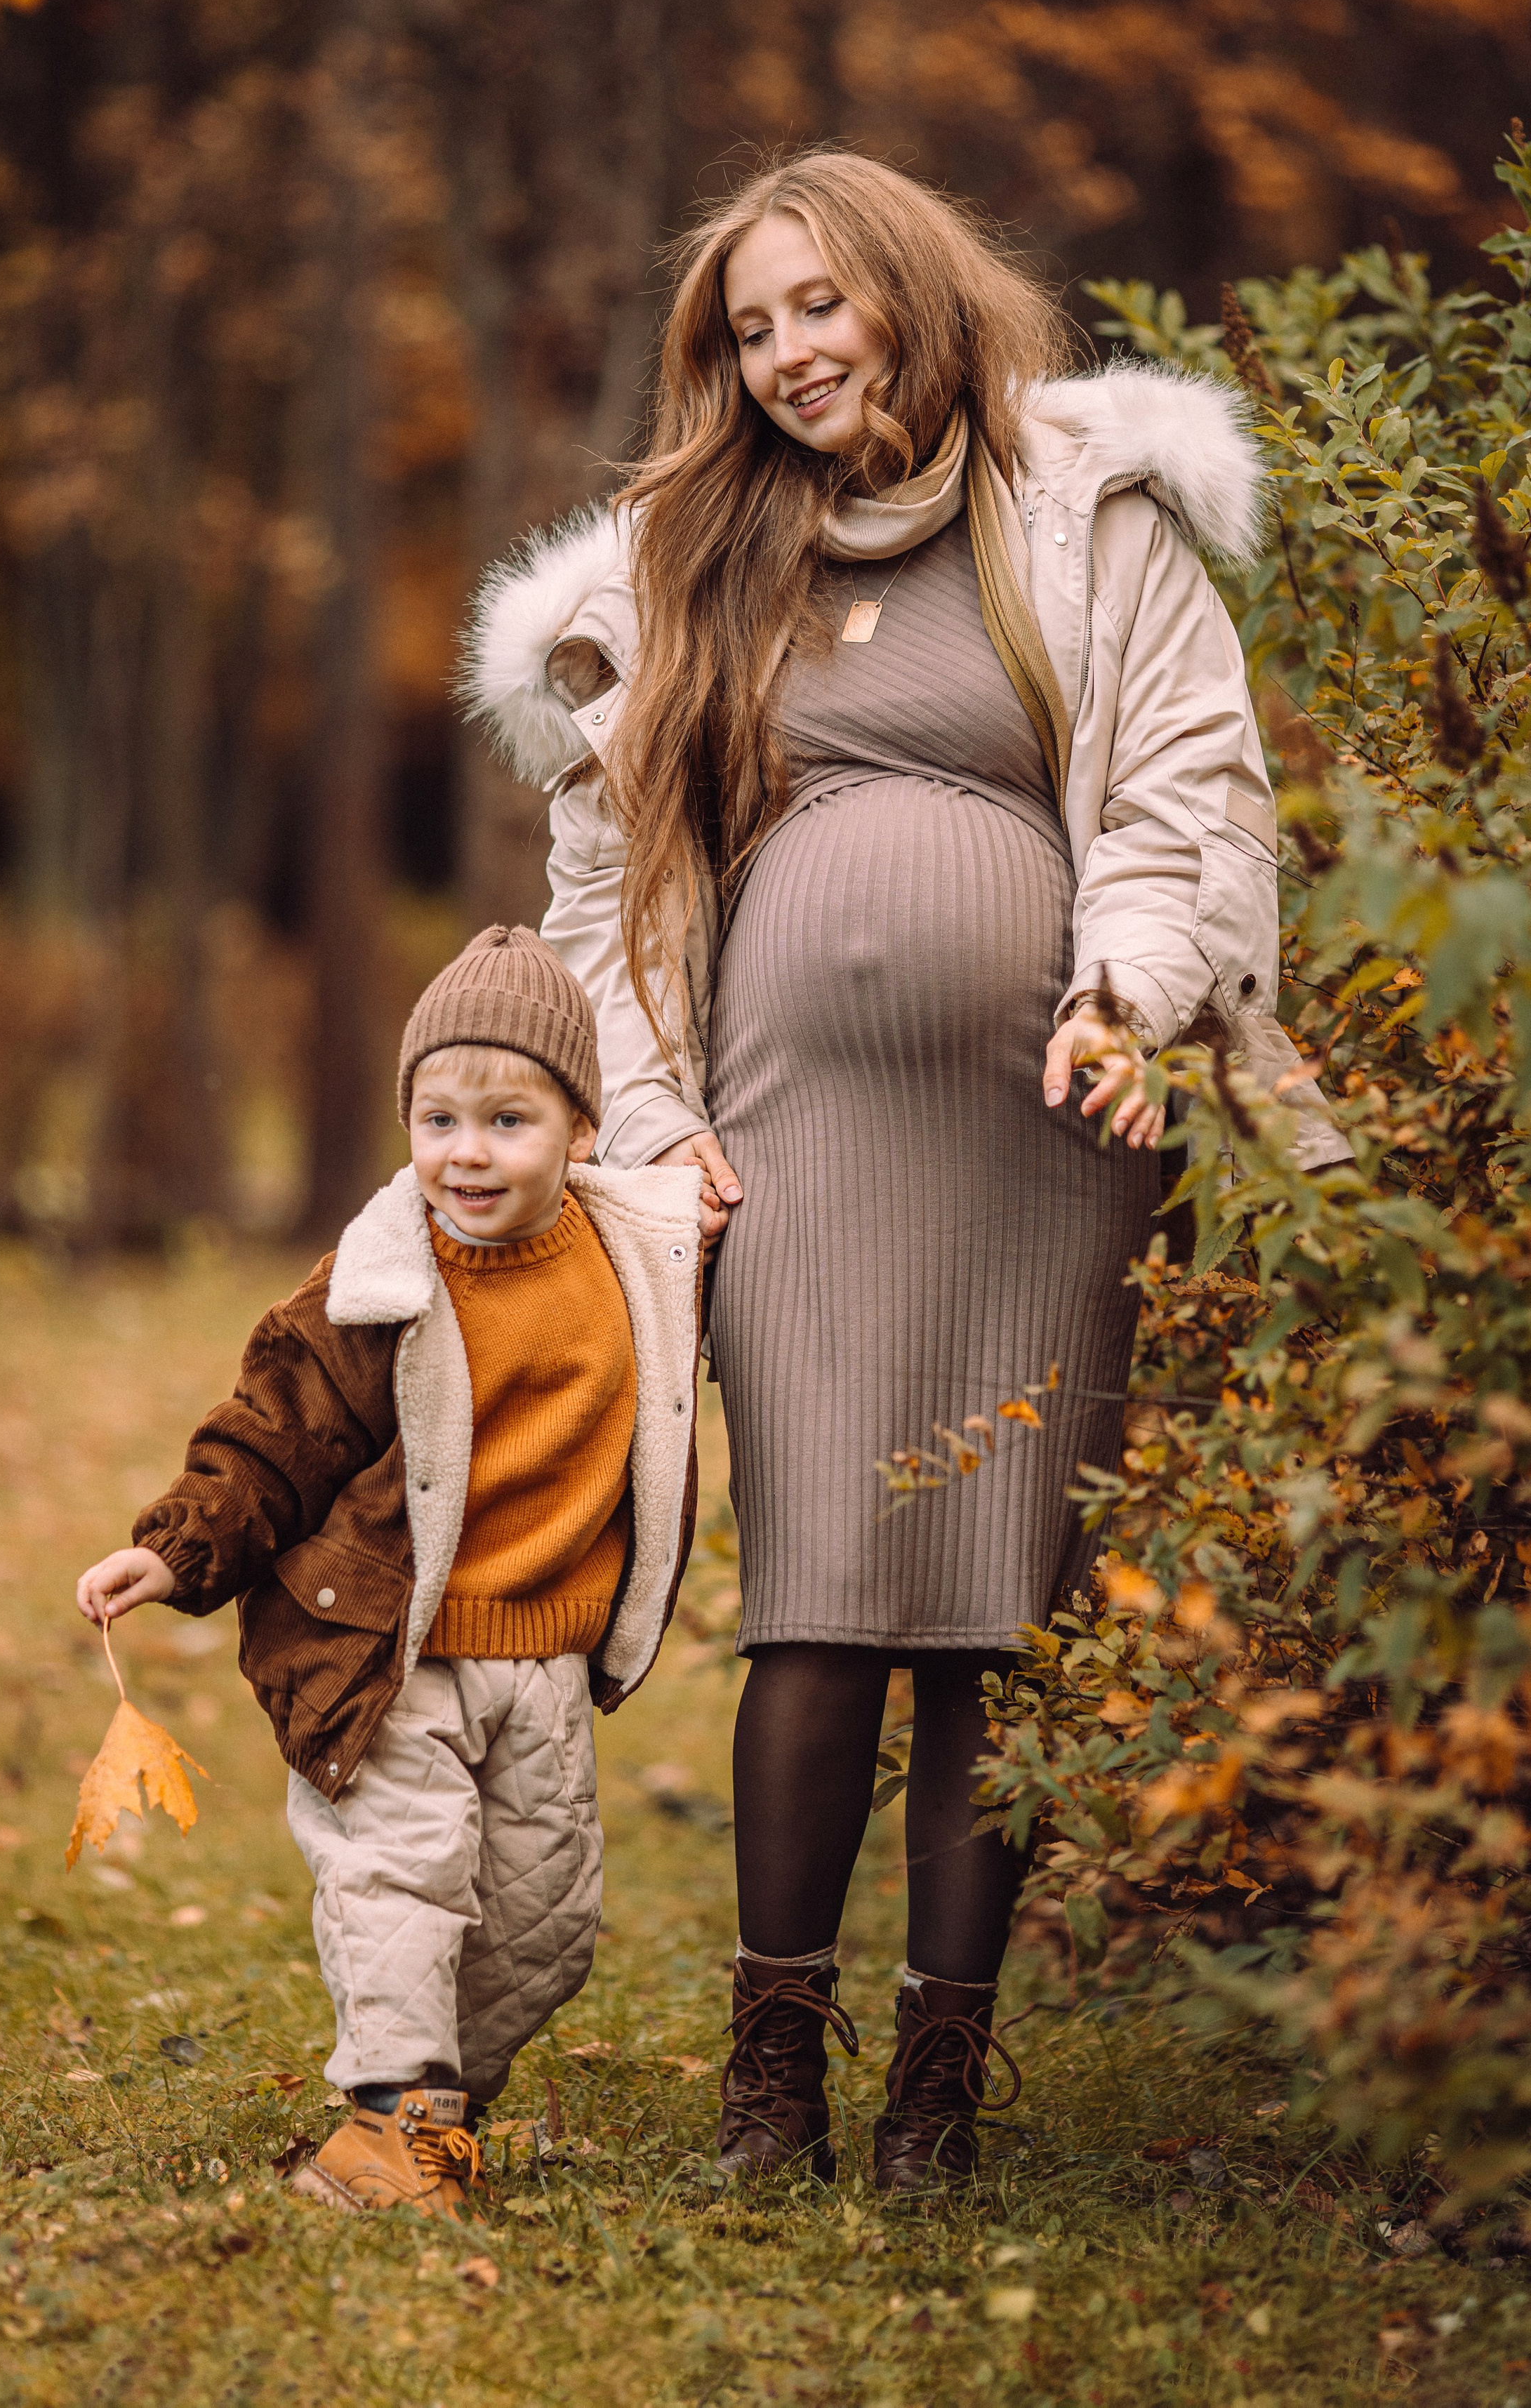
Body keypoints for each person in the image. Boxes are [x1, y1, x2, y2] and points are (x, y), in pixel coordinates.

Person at [460, 150, 1346, 2190]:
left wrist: (1122, 996)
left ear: (909, 295)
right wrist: (665, 1133)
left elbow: (1190, 785)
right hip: (786, 1148)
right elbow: (604, 888)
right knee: (825, 1603)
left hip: (1059, 1128)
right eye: (749, 330)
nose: (783, 357)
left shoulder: (1093, 512)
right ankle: (776, 2073)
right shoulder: (687, 564)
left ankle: (939, 2089)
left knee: (996, 1616)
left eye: (814, 309)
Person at [74, 926, 703, 2218]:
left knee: (544, 1924)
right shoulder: (382, 1280)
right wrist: (174, 1547)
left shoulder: (639, 1253)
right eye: (438, 1117)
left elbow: (716, 1231)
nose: (466, 1152)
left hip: (547, 1652)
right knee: (402, 1877)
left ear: (583, 1132)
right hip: (384, 1646)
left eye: (508, 1119)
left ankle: (428, 2115)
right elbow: (274, 1436)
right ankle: (389, 2120)